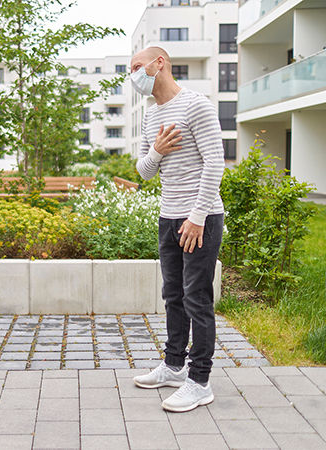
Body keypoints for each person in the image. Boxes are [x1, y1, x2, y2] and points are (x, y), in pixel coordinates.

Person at [130, 47, 225, 412]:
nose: (134, 74)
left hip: (199, 219)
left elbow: (215, 163)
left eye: (138, 66)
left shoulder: (196, 105)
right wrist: (155, 150)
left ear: (160, 64)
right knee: (172, 295)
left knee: (196, 299)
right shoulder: (151, 115)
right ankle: (173, 366)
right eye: (130, 69)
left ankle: (199, 381)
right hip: (168, 217)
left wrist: (198, 216)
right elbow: (144, 171)